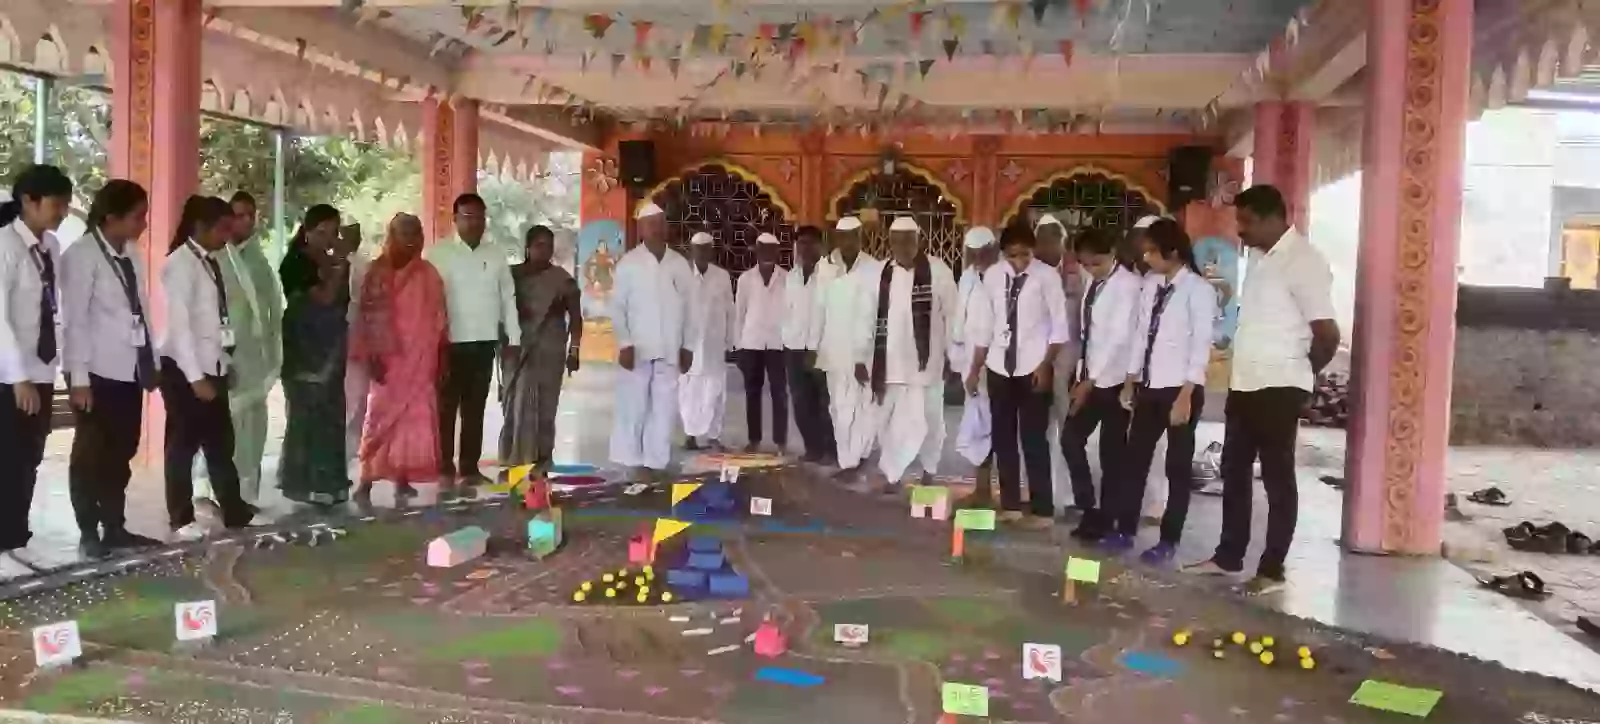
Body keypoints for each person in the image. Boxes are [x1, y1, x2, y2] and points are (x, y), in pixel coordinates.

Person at [1186, 185, 1340, 595]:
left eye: (1248, 221)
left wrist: (1301, 373)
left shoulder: (1303, 262)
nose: (1241, 230)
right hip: (1246, 382)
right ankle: (1228, 556)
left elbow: (1327, 334)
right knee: (1234, 471)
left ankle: (1272, 570)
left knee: (1276, 478)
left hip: (1279, 386)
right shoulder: (1258, 257)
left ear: (1274, 218)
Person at [62, 180, 164, 559]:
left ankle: (115, 527)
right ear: (110, 217)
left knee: (121, 451)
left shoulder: (131, 252)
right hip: (94, 372)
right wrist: (79, 380)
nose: (144, 224)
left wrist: (151, 361)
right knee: (91, 455)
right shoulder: (82, 255)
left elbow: (142, 311)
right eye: (138, 217)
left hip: (128, 370)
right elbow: (73, 322)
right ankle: (89, 531)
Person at [1114, 219, 1218, 562]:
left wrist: (1186, 395)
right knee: (1134, 461)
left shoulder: (1198, 291)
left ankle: (1168, 540)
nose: (1145, 258)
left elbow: (1200, 345)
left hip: (1180, 389)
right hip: (1149, 385)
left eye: (1151, 252)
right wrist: (1130, 379)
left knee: (1177, 467)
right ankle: (1125, 530)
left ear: (1172, 252)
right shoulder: (1151, 285)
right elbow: (1140, 334)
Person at [160, 195, 262, 540]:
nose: (227, 236)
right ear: (201, 227)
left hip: (212, 366)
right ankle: (180, 517)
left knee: (220, 445)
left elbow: (216, 321)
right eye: (223, 229)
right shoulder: (180, 264)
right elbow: (180, 328)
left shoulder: (210, 262)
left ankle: (234, 511)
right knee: (183, 446)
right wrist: (195, 378)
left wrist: (224, 362)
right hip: (184, 371)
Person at [964, 223, 1068, 531]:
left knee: (1033, 438)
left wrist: (1045, 366)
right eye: (1012, 255)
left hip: (1033, 366)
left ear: (1033, 251)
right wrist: (975, 368)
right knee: (1003, 437)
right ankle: (1010, 505)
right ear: (1003, 253)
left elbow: (1059, 328)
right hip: (999, 365)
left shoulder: (1047, 277)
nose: (1019, 261)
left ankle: (1042, 510)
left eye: (1025, 255)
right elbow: (985, 326)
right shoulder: (993, 276)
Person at [0, 165, 72, 572]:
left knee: (30, 458)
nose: (63, 212)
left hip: (41, 370)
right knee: (7, 459)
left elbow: (51, 307)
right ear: (29, 201)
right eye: (56, 204)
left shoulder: (51, 247)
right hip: (10, 376)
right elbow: (0, 318)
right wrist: (18, 377)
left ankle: (17, 539)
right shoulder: (5, 245)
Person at [424, 193, 519, 490]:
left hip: (484, 342)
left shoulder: (496, 254)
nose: (475, 222)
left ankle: (469, 468)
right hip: (448, 343)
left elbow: (508, 297)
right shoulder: (438, 254)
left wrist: (514, 337)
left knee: (475, 408)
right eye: (468, 217)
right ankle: (443, 467)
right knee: (445, 408)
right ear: (455, 219)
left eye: (479, 217)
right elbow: (427, 300)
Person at [856, 215, 957, 493]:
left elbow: (952, 316)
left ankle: (929, 472)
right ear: (889, 243)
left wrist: (953, 355)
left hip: (928, 365)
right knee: (890, 424)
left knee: (931, 422)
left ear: (918, 241)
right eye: (897, 241)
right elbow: (866, 317)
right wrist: (860, 357)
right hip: (889, 365)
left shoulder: (938, 271)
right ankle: (893, 476)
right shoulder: (879, 273)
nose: (902, 246)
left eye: (908, 241)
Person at [352, 213, 448, 492]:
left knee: (411, 419)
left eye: (415, 233)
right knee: (378, 417)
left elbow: (440, 318)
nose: (410, 240)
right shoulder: (376, 272)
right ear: (392, 236)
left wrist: (442, 355)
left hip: (420, 359)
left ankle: (402, 478)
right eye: (403, 233)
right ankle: (366, 480)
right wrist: (370, 355)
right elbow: (364, 318)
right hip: (386, 360)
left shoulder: (428, 274)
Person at [1061, 226, 1142, 542]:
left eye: (1096, 263)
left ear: (1112, 253)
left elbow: (1118, 338)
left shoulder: (1129, 286)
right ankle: (1089, 508)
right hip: (1091, 377)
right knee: (1070, 439)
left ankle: (1108, 519)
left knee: (1112, 454)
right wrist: (1083, 376)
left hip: (1117, 381)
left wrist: (1090, 381)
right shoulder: (1093, 283)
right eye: (1085, 263)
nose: (1091, 269)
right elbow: (1089, 336)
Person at [609, 203, 694, 481]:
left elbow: (691, 308)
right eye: (651, 224)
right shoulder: (629, 263)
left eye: (661, 223)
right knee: (634, 406)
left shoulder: (679, 264)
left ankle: (656, 461)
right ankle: (632, 459)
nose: (657, 229)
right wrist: (624, 343)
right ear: (641, 229)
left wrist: (688, 346)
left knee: (664, 408)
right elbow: (617, 307)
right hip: (637, 349)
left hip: (670, 347)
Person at [278, 205, 351, 506]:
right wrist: (340, 264)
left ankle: (331, 482)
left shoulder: (331, 261)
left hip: (331, 344)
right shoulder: (294, 262)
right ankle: (304, 483)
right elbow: (325, 298)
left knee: (332, 412)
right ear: (306, 231)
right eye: (321, 233)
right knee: (307, 412)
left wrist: (339, 263)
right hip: (304, 344)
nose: (327, 239)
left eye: (333, 233)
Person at [215, 191, 281, 506]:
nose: (246, 221)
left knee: (254, 426)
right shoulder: (216, 256)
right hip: (225, 356)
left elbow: (271, 306)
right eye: (239, 215)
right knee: (225, 427)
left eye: (250, 215)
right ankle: (222, 494)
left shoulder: (258, 260)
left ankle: (248, 494)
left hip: (254, 355)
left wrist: (271, 347)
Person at [500, 224, 582, 473]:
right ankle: (515, 456)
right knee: (516, 403)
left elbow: (576, 318)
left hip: (550, 350)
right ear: (527, 247)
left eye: (549, 246)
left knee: (546, 406)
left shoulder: (562, 279)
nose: (544, 251)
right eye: (539, 245)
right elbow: (498, 311)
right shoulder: (511, 276)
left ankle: (543, 458)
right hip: (517, 348)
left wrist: (574, 350)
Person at [814, 216, 880, 477]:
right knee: (839, 408)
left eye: (853, 236)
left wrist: (863, 357)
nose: (848, 242)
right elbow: (819, 309)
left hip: (864, 354)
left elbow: (872, 315)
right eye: (843, 237)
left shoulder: (873, 268)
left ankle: (859, 457)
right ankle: (847, 461)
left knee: (863, 407)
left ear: (860, 237)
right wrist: (814, 347)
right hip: (833, 352)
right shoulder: (825, 267)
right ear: (837, 238)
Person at [949, 226, 999, 507]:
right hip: (970, 362)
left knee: (991, 427)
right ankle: (982, 490)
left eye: (982, 253)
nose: (977, 258)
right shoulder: (967, 276)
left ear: (993, 250)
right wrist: (958, 361)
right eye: (972, 253)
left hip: (994, 364)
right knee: (977, 425)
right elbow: (960, 321)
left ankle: (989, 492)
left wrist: (977, 368)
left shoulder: (1001, 277)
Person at [783, 225, 835, 464]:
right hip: (794, 348)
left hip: (822, 349)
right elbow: (787, 311)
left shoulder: (829, 275)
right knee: (801, 402)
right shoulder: (792, 276)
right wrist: (786, 340)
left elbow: (829, 313)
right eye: (801, 243)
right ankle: (812, 449)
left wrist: (818, 346)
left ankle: (831, 451)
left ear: (819, 246)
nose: (804, 248)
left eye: (809, 243)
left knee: (825, 403)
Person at [734, 233, 789, 453]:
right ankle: (754, 439)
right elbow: (739, 314)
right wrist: (738, 347)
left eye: (771, 249)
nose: (767, 253)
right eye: (763, 248)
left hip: (778, 344)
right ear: (756, 250)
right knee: (752, 392)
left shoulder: (787, 278)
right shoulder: (745, 279)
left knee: (779, 393)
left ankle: (781, 442)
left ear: (777, 252)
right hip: (751, 343)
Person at [679, 231, 734, 450]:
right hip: (689, 347)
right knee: (688, 393)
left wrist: (731, 341)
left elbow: (730, 310)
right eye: (698, 249)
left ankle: (714, 437)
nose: (702, 253)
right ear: (692, 251)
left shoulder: (722, 276)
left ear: (712, 251)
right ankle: (690, 436)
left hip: (714, 346)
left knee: (716, 392)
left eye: (706, 249)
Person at [339, 222, 372, 466]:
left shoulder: (362, 265)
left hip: (356, 335)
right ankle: (348, 448)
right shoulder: (341, 264)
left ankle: (350, 449)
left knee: (355, 395)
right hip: (350, 335)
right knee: (355, 396)